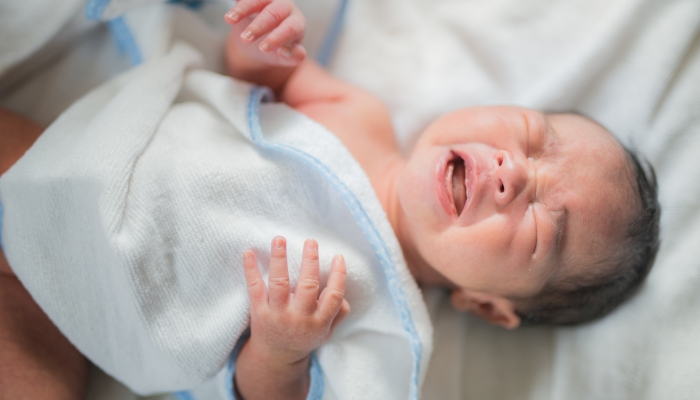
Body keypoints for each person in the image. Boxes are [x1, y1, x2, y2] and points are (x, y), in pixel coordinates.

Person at [223, 0, 660, 399]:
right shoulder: (357, 115)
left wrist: (279, 353)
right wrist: (263, 44)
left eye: (542, 228)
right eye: (531, 137)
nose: (514, 172)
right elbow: (252, 85)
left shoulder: (384, 328)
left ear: (487, 305)